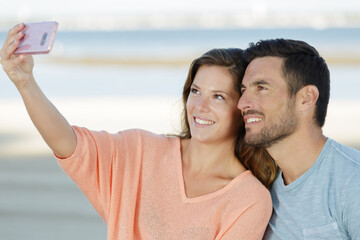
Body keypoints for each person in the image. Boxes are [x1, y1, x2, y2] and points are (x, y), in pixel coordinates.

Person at [1, 23, 278, 240]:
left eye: (218, 96)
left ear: (242, 110)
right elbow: (70, 145)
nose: (200, 106)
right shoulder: (140, 150)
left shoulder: (248, 200)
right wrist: (25, 83)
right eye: (196, 91)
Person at [238, 38, 360, 239]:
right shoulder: (261, 184)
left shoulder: (352, 182)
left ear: (306, 98)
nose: (242, 103)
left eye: (261, 88)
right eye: (244, 90)